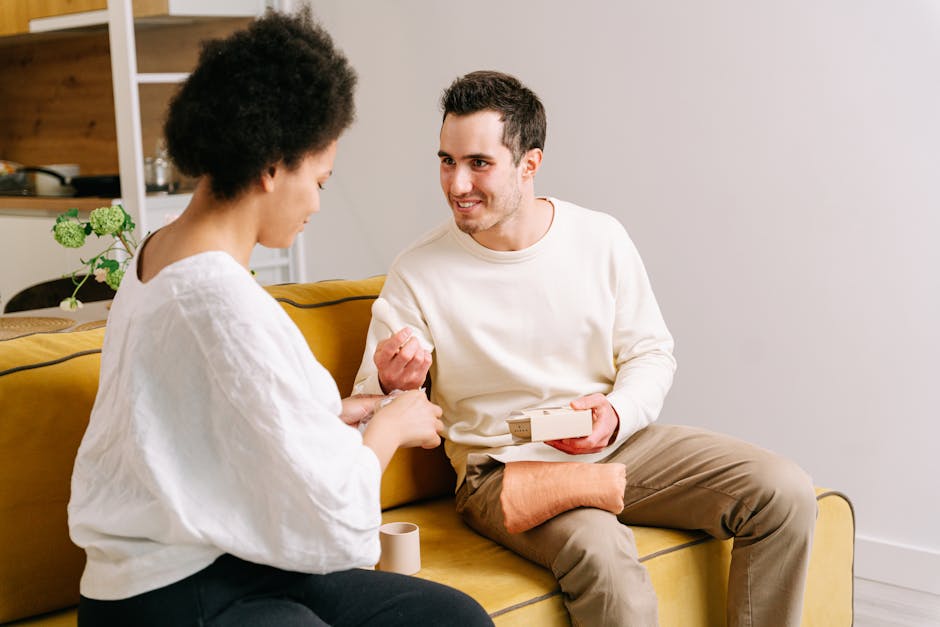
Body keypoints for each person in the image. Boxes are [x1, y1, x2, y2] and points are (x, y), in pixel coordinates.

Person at [67, 12, 493, 627]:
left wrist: (335, 413)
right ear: (271, 165)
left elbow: (201, 412)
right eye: (318, 180)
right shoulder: (220, 298)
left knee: (452, 618)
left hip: (233, 558)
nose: (317, 203)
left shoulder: (162, 249)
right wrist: (392, 426)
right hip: (164, 592)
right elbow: (335, 509)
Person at [353, 70, 818, 626]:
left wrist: (617, 412)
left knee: (783, 492)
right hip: (503, 467)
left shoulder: (600, 238)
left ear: (530, 164)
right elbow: (368, 405)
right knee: (605, 558)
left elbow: (650, 353)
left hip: (616, 444)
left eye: (479, 163)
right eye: (447, 161)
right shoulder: (419, 270)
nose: (456, 184)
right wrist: (389, 383)